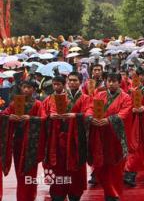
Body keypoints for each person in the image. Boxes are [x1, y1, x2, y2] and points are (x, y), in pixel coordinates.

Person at [45, 73, 91, 201]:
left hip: (77, 139)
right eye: (70, 80)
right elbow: (47, 111)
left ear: (80, 82)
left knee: (76, 168)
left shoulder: (86, 98)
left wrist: (76, 116)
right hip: (60, 137)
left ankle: (75, 193)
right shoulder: (57, 97)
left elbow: (89, 113)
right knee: (59, 167)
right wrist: (51, 116)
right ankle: (58, 193)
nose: (72, 83)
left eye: (75, 80)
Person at [87, 73, 132, 201]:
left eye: (113, 81)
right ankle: (109, 192)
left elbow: (125, 112)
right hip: (100, 136)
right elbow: (91, 108)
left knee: (115, 169)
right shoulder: (100, 95)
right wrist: (90, 118)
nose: (110, 84)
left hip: (115, 137)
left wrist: (109, 120)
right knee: (100, 166)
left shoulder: (126, 97)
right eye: (108, 81)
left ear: (119, 82)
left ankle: (115, 194)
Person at [1, 78, 46, 201]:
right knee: (20, 172)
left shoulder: (38, 104)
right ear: (21, 89)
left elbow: (44, 119)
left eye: (29, 88)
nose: (26, 90)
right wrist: (10, 117)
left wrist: (30, 118)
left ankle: (29, 197)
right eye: (24, 87)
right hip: (18, 142)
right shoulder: (15, 103)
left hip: (32, 144)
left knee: (30, 172)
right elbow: (4, 115)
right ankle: (22, 197)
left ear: (34, 90)